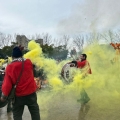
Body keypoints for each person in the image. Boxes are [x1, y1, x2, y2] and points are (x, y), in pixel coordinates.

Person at [0, 46, 40, 120]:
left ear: (12, 56)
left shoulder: (10, 67)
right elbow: (34, 71)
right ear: (21, 55)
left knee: (17, 116)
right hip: (31, 94)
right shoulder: (28, 62)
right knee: (35, 113)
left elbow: (7, 85)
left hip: (18, 96)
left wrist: (3, 97)